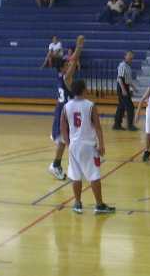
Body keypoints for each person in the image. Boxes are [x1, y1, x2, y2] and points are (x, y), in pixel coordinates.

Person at [60, 78, 115, 214]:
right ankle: (99, 204)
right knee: (94, 176)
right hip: (88, 145)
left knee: (76, 175)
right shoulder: (90, 105)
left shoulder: (66, 106)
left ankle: (77, 204)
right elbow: (97, 125)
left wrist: (68, 143)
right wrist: (101, 144)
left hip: (74, 144)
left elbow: (62, 127)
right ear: (84, 89)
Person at [48, 35, 85, 180]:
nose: (69, 66)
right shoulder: (65, 77)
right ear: (63, 68)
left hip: (64, 110)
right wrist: (79, 46)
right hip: (64, 110)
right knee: (65, 140)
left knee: (66, 140)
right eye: (67, 65)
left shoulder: (60, 78)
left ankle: (61, 164)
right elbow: (74, 60)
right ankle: (56, 164)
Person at [113, 50, 139, 131]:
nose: (131, 56)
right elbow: (120, 78)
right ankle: (130, 125)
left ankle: (116, 124)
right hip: (122, 87)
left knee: (121, 107)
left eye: (132, 55)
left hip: (125, 86)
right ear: (125, 56)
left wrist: (134, 88)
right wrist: (123, 89)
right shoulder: (122, 66)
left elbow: (128, 80)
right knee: (130, 106)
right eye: (129, 55)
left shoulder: (128, 66)